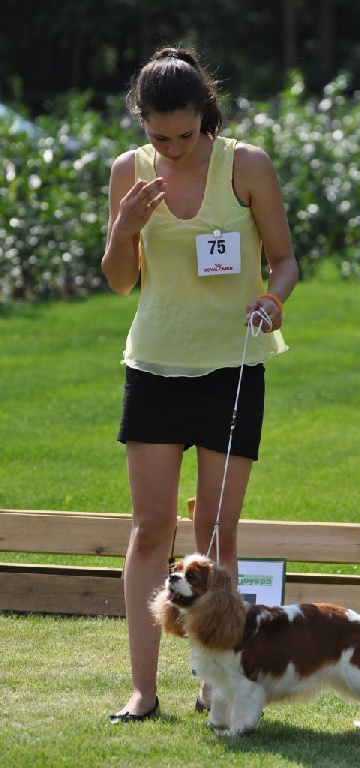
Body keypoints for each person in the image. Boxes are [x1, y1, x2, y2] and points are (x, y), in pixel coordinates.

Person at [102, 45, 299, 723]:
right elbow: (121, 280)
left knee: (216, 531)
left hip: (233, 369)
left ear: (203, 116)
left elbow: (285, 259)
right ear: (142, 124)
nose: (174, 148)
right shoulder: (128, 173)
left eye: (185, 135)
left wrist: (274, 299)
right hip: (154, 367)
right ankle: (142, 690)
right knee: (151, 530)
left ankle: (215, 680)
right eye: (160, 137)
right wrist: (124, 227)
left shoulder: (246, 166)